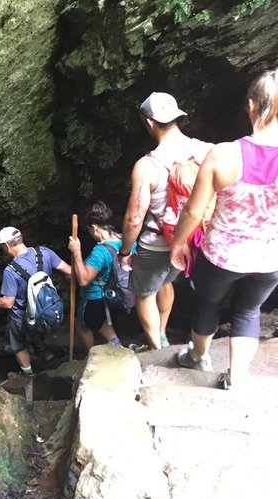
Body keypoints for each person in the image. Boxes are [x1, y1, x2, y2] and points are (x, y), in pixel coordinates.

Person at [170, 68, 278, 390]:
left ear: (251, 106)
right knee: (248, 310)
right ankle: (237, 376)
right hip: (269, 257)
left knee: (207, 303)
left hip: (221, 256)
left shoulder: (224, 154)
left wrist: (179, 242)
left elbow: (193, 209)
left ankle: (198, 357)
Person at [120, 92, 213, 350]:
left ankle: (157, 350)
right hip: (191, 240)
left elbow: (134, 217)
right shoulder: (205, 150)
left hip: (156, 245)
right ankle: (161, 332)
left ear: (149, 122)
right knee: (167, 281)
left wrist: (125, 251)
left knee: (144, 294)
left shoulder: (146, 166)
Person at [0, 226, 71, 377]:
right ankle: (46, 355)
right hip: (45, 310)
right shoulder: (44, 253)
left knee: (18, 345)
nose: (3, 250)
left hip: (22, 317)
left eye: (2, 247)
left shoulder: (11, 270)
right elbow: (70, 272)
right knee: (35, 328)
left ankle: (29, 375)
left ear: (7, 245)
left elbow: (8, 303)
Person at [67, 201, 124, 350]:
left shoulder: (100, 252)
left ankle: (90, 358)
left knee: (81, 324)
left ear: (93, 227)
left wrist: (77, 252)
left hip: (95, 297)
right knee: (100, 321)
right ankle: (115, 342)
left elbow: (84, 279)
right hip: (116, 293)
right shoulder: (124, 241)